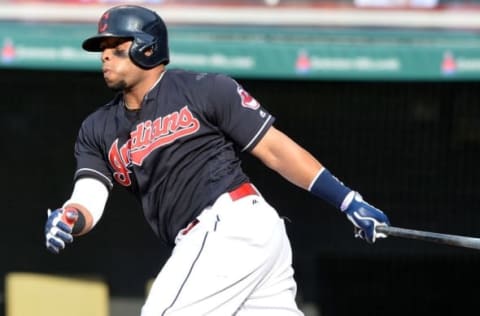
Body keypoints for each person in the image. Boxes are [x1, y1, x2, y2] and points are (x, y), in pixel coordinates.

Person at [44, 5, 390, 316]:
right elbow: (90, 196)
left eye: (116, 48)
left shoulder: (204, 89)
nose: (105, 56)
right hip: (226, 239)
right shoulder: (98, 128)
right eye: (102, 50)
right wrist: (70, 217)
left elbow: (275, 150)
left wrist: (346, 199)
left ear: (147, 48)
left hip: (229, 224)